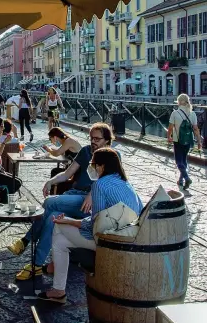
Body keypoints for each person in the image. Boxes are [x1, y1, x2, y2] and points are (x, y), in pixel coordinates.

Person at [8, 123, 114, 280]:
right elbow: (67, 173)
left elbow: (111, 180)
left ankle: (25, 240)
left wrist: (93, 192)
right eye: (91, 138)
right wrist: (51, 181)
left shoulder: (111, 156)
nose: (93, 141)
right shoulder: (86, 151)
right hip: (74, 195)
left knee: (50, 202)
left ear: (106, 140)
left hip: (89, 202)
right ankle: (37, 265)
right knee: (53, 218)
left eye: (97, 139)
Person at [37, 148, 143, 303]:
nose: (92, 168)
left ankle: (57, 283)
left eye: (94, 165)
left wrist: (69, 221)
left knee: (58, 227)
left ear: (102, 166)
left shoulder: (99, 184)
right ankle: (57, 290)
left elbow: (97, 222)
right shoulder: (125, 183)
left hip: (110, 240)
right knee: (60, 242)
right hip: (128, 237)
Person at [167, 93, 202, 190]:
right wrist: (199, 142)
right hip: (188, 139)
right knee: (184, 159)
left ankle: (186, 178)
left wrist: (168, 136)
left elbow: (170, 128)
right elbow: (196, 129)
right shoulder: (192, 113)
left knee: (179, 161)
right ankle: (181, 180)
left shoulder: (175, 113)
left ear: (179, 102)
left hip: (177, 140)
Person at [43, 127, 81, 195]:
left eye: (50, 139)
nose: (51, 141)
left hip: (76, 171)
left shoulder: (69, 141)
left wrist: (48, 150)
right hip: (72, 168)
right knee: (56, 171)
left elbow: (57, 153)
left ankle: (54, 195)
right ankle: (54, 193)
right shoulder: (66, 141)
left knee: (55, 171)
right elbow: (61, 153)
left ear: (55, 137)